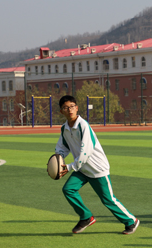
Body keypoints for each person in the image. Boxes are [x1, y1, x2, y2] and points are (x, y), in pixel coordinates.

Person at [54, 95, 139, 235]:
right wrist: (58, 158)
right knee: (68, 189)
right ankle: (86, 217)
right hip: (82, 168)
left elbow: (85, 151)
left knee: (108, 200)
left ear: (77, 108)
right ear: (61, 111)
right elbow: (62, 148)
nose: (69, 110)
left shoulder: (83, 125)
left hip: (96, 168)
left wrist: (69, 167)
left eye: (72, 106)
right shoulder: (65, 128)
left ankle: (131, 221)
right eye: (65, 107)